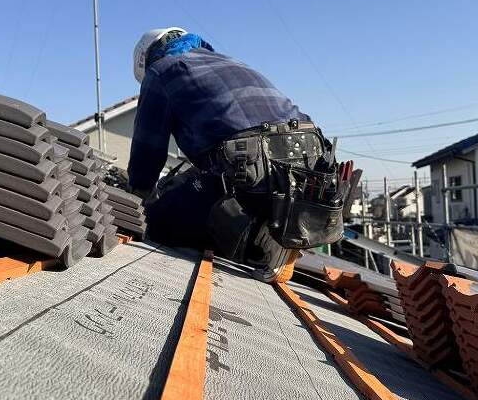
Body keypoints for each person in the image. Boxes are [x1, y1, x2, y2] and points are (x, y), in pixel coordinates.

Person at [126, 27, 345, 281]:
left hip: (251, 166)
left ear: (147, 59)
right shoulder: (229, 62)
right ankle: (282, 226)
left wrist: (137, 201)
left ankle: (262, 237)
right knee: (197, 182)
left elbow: (148, 148)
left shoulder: (160, 70)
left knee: (158, 219)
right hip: (310, 165)